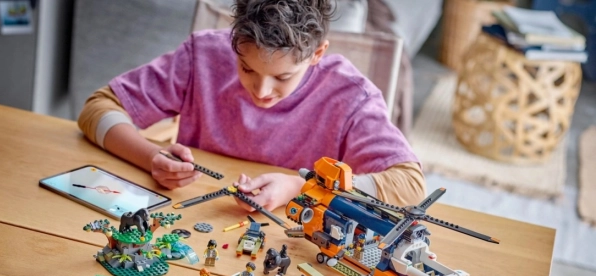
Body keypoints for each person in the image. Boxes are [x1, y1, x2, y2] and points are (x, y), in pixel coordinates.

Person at [78, 0, 425, 211]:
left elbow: (410, 186)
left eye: (283, 77)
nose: (262, 91)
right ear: (234, 40)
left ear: (317, 54)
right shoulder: (204, 57)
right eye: (246, 68)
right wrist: (152, 157)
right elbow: (98, 108)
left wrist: (301, 188)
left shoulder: (350, 96)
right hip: (192, 218)